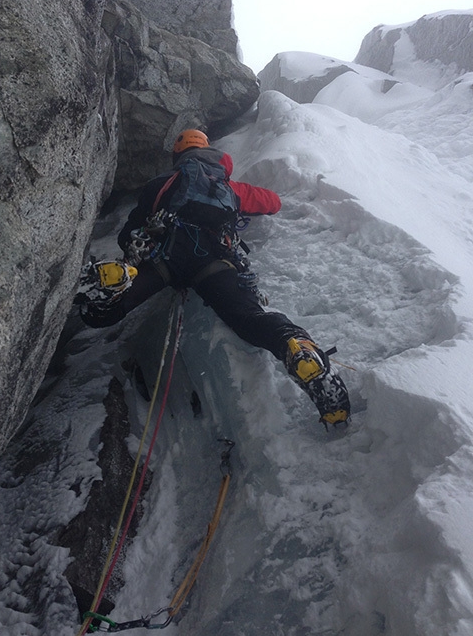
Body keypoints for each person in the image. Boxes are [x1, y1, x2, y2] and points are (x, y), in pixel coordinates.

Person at [78, 129, 350, 428]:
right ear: (211, 154)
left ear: (178, 155)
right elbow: (271, 202)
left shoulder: (162, 183)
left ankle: (114, 284)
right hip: (215, 258)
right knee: (248, 318)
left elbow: (129, 232)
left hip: (166, 255)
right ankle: (294, 345)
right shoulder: (228, 186)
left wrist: (134, 250)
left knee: (104, 313)